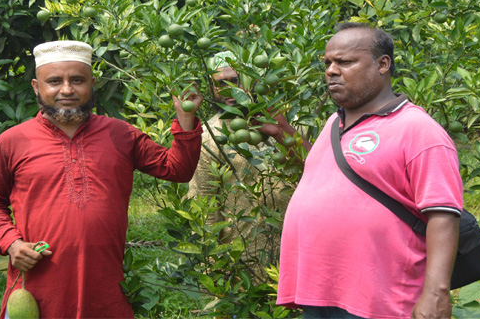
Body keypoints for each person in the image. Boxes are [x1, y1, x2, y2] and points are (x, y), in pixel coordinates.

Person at [0, 40, 204, 319]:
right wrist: (12, 244)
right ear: (37, 87)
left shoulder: (121, 135)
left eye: (78, 80)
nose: (67, 90)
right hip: (39, 287)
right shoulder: (13, 141)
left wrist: (185, 119)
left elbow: (177, 170)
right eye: (55, 81)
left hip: (104, 287)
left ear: (91, 83)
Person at [277, 23, 463, 319]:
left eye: (345, 62)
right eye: (327, 63)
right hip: (321, 292)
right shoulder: (332, 125)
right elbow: (326, 179)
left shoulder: (417, 129)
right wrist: (281, 132)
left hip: (381, 300)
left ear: (383, 64)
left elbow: (443, 214)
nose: (331, 71)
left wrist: (436, 293)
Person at [188, 52, 304, 281]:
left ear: (253, 80)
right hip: (246, 262)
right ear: (212, 89)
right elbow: (204, 205)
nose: (230, 90)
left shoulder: (289, 124)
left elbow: (314, 170)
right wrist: (214, 269)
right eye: (221, 84)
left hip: (298, 249)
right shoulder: (211, 137)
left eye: (236, 81)